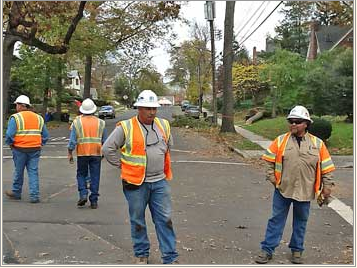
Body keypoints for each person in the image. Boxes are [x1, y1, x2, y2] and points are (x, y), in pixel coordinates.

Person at [102, 90, 179, 264]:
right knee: (138, 220)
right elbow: (107, 149)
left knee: (165, 219)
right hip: (136, 183)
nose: (152, 112)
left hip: (159, 181)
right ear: (139, 108)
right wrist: (123, 164)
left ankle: (170, 257)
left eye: (154, 109)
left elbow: (169, 146)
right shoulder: (126, 127)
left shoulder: (164, 125)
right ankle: (141, 254)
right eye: (147, 108)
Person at [255, 105, 335, 264]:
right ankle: (267, 250)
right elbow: (268, 162)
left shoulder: (318, 144)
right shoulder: (280, 141)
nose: (293, 124)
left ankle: (297, 250)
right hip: (283, 190)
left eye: (297, 121)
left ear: (306, 123)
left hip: (305, 191)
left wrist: (327, 187)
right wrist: (273, 179)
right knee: (275, 220)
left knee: (300, 222)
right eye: (290, 121)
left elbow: (326, 168)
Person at [4, 95, 49, 203]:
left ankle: (16, 192)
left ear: (21, 105)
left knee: (18, 171)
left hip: (19, 149)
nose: (16, 107)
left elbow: (9, 135)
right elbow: (46, 136)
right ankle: (34, 196)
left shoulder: (16, 118)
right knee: (33, 172)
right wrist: (39, 144)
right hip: (35, 149)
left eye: (17, 104)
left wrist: (11, 145)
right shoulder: (39, 118)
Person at [67, 98, 107, 209]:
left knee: (81, 174)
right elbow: (105, 141)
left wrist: (70, 152)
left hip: (82, 153)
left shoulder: (77, 122)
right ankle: (94, 201)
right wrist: (103, 152)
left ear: (82, 110)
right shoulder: (101, 123)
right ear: (94, 110)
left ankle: (83, 193)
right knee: (95, 176)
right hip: (96, 153)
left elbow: (72, 141)